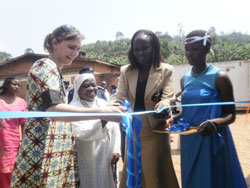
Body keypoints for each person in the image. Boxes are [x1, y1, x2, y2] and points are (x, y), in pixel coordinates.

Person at [10, 24, 124, 188]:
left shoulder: (55, 71)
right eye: (71, 47)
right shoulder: (44, 67)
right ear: (55, 43)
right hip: (41, 152)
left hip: (54, 152)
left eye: (77, 49)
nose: (75, 53)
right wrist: (103, 112)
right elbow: (54, 110)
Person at [167, 30, 247, 188]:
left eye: (194, 49)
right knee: (191, 178)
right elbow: (187, 112)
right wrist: (173, 119)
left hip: (210, 138)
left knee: (212, 178)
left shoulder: (220, 77)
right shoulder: (185, 79)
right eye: (187, 49)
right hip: (189, 139)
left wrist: (214, 123)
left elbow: (230, 115)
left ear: (206, 50)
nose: (189, 54)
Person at [111, 29, 179, 188]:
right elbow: (118, 96)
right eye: (136, 49)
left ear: (154, 48)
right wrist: (112, 106)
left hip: (155, 130)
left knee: (153, 170)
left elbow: (169, 97)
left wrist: (163, 104)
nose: (140, 53)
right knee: (134, 168)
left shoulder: (166, 70)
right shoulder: (126, 71)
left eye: (144, 48)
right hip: (133, 129)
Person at [69, 72, 121, 188]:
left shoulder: (103, 103)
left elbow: (115, 129)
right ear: (78, 89)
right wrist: (104, 119)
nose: (91, 89)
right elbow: (80, 132)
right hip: (88, 156)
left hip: (107, 154)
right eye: (86, 86)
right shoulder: (73, 107)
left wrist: (116, 150)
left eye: (93, 85)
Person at [0, 76, 27, 188]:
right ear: (6, 85)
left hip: (12, 142)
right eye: (13, 84)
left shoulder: (21, 103)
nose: (16, 87)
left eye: (18, 85)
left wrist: (24, 143)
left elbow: (23, 124)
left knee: (10, 169)